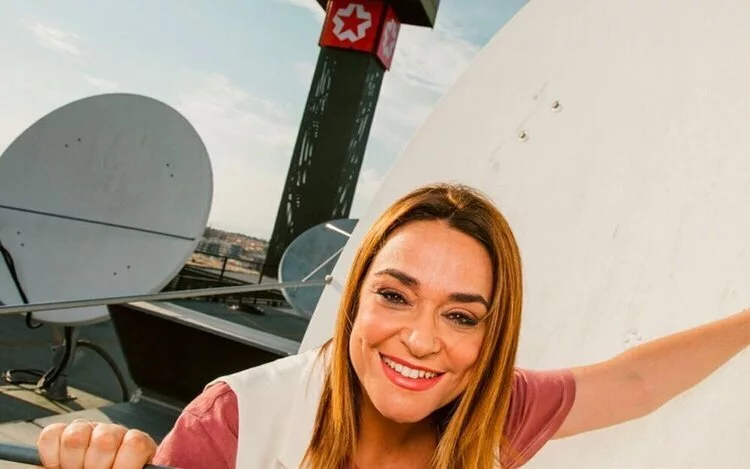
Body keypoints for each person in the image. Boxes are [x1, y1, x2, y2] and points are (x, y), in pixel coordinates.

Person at [36, 183, 750, 468]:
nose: (422, 339)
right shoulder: (236, 422)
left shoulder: (496, 410)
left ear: (492, 336)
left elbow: (636, 380)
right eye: (396, 295)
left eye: (462, 314)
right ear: (355, 300)